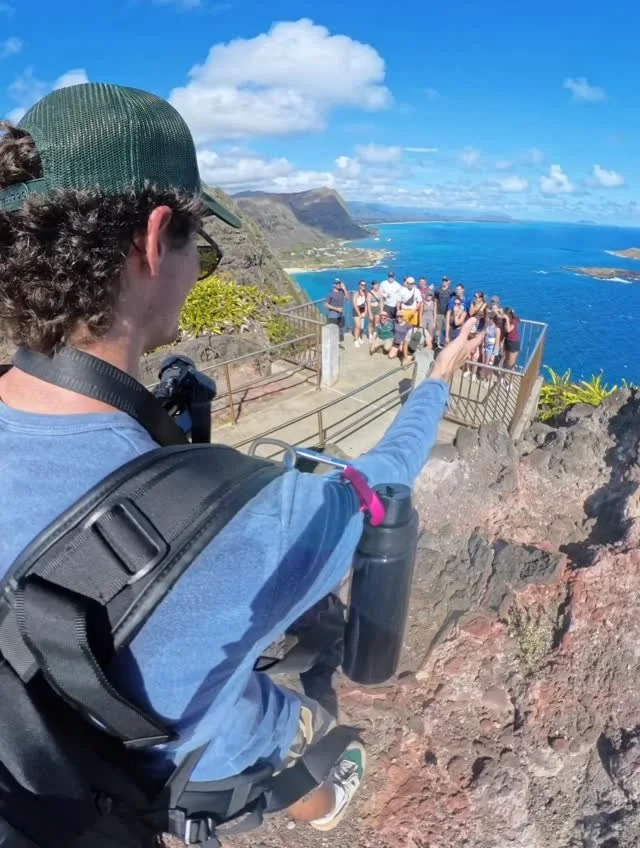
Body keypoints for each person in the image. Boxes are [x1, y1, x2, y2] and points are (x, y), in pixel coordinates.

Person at [0, 81, 482, 847]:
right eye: (201, 249)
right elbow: (385, 477)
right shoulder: (257, 520)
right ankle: (315, 801)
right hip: (147, 786)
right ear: (154, 240)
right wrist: (437, 380)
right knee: (266, 715)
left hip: (33, 769)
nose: (200, 273)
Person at [482, 309, 502, 377]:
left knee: (489, 363)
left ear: (491, 319)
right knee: (485, 361)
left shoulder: (497, 329)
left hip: (492, 347)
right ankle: (485, 374)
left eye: (487, 318)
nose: (486, 319)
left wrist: (493, 354)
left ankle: (488, 377)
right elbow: (484, 336)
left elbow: (497, 343)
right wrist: (483, 345)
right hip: (486, 345)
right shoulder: (486, 326)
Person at [435, 277, 452, 346]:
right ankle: (438, 343)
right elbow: (435, 302)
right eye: (443, 280)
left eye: (446, 281)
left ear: (448, 282)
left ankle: (446, 344)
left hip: (447, 314)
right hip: (439, 313)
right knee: (438, 329)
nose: (444, 282)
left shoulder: (451, 291)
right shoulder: (438, 291)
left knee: (447, 329)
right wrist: (435, 313)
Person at [352, 280, 368, 347]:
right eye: (362, 285)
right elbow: (354, 304)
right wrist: (359, 314)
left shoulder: (366, 293)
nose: (363, 286)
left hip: (363, 310)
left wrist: (365, 312)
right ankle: (356, 340)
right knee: (358, 326)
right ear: (359, 285)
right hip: (356, 310)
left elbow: (366, 303)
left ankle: (359, 337)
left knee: (361, 327)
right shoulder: (356, 293)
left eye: (364, 285)